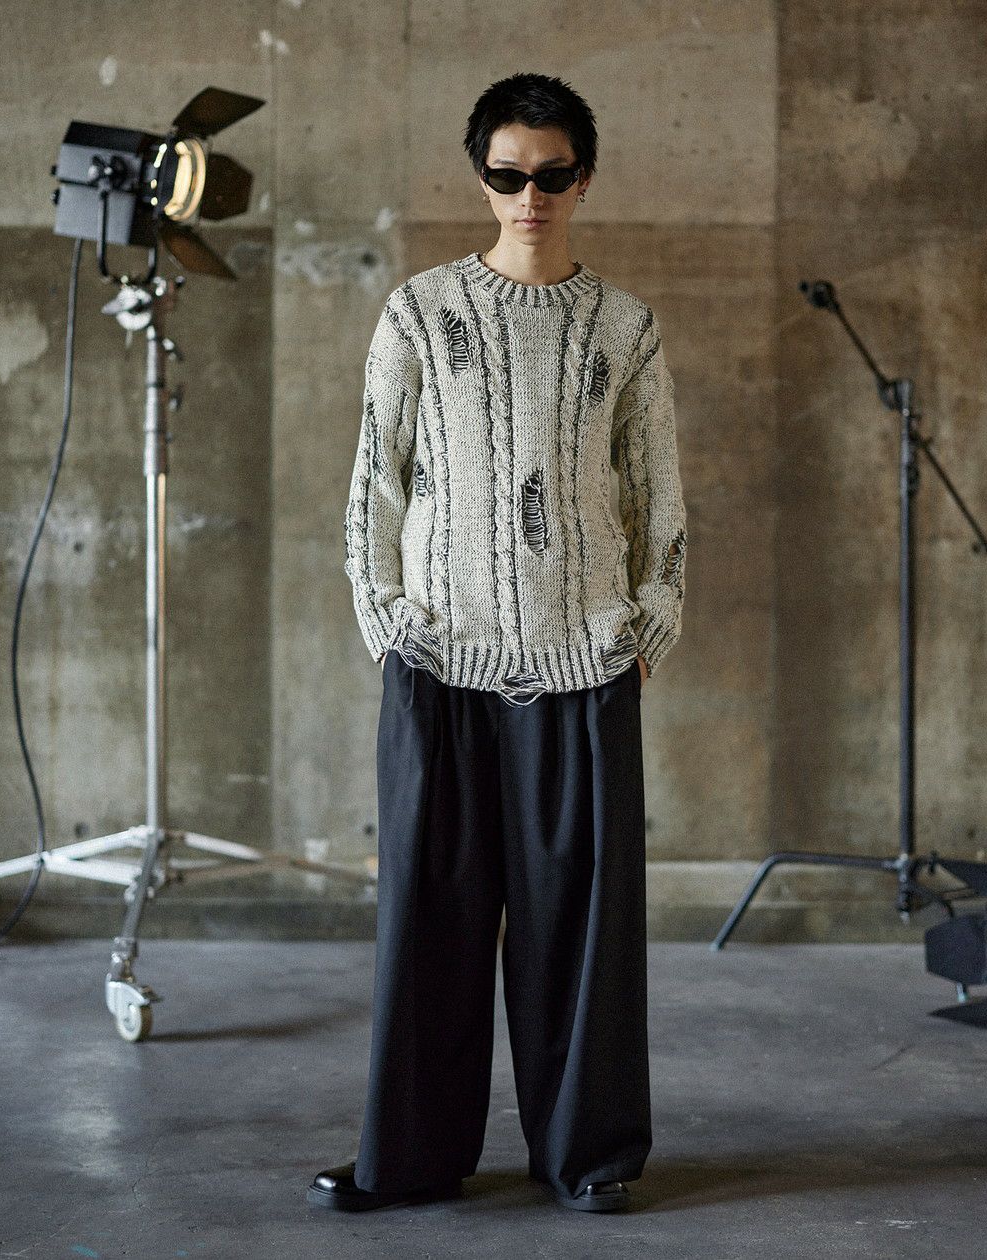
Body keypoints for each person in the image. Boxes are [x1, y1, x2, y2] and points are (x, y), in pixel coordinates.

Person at [307, 71, 687, 1214]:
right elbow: (374, 481)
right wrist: (387, 623)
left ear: (585, 178)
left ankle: (589, 1157)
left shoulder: (625, 328)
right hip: (438, 664)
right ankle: (411, 1160)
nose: (532, 196)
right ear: (481, 176)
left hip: (585, 666)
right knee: (428, 925)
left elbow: (658, 495)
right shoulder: (419, 314)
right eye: (510, 174)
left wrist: (646, 629)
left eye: (553, 175)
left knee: (581, 935)